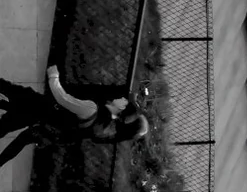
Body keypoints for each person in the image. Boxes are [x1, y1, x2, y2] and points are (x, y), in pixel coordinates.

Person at [0, 65, 145, 169]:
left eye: (125, 100)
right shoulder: (105, 127)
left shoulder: (92, 110)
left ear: (121, 108)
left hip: (44, 112)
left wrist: (53, 75)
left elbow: (62, 97)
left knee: (12, 93)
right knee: (15, 126)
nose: (121, 97)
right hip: (48, 128)